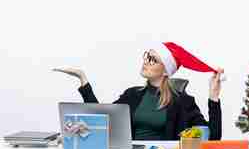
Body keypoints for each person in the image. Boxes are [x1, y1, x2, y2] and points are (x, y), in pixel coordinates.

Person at [54, 42, 224, 140]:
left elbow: (213, 138)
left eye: (153, 59)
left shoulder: (183, 102)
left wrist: (213, 98)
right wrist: (83, 79)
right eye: (146, 56)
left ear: (166, 71)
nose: (146, 61)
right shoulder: (132, 95)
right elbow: (101, 120)